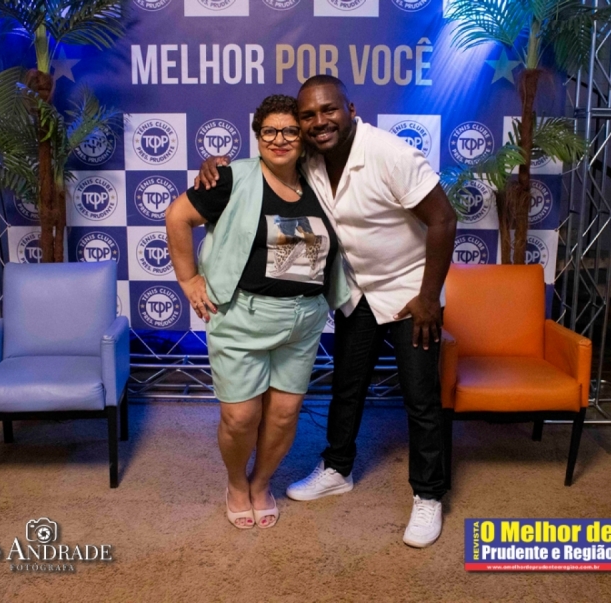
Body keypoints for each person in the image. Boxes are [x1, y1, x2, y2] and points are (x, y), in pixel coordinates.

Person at [196, 76, 457, 547]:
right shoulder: (310, 156)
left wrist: (428, 296)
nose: (319, 122)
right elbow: (265, 162)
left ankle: (429, 493)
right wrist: (215, 165)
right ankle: (338, 468)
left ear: (351, 109)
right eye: (309, 116)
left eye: (329, 110)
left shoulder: (390, 153)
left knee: (420, 397)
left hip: (408, 292)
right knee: (346, 388)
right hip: (354, 289)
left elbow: (443, 218)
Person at [166, 94, 349, 530]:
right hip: (242, 318)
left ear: (303, 137)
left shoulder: (321, 179)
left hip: (303, 320)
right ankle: (236, 484)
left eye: (290, 131)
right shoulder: (231, 177)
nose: (279, 139)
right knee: (240, 417)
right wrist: (189, 280)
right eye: (269, 131)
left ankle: (261, 483)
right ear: (257, 136)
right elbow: (177, 216)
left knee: (284, 415)